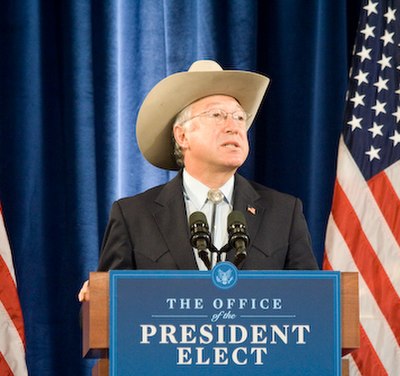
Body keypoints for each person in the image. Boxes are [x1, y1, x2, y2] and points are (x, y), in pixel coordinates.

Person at [78, 60, 318, 301]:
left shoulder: (284, 213)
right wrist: (95, 300)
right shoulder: (132, 216)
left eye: (239, 117)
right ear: (182, 135)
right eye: (217, 115)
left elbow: (312, 304)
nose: (233, 127)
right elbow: (104, 316)